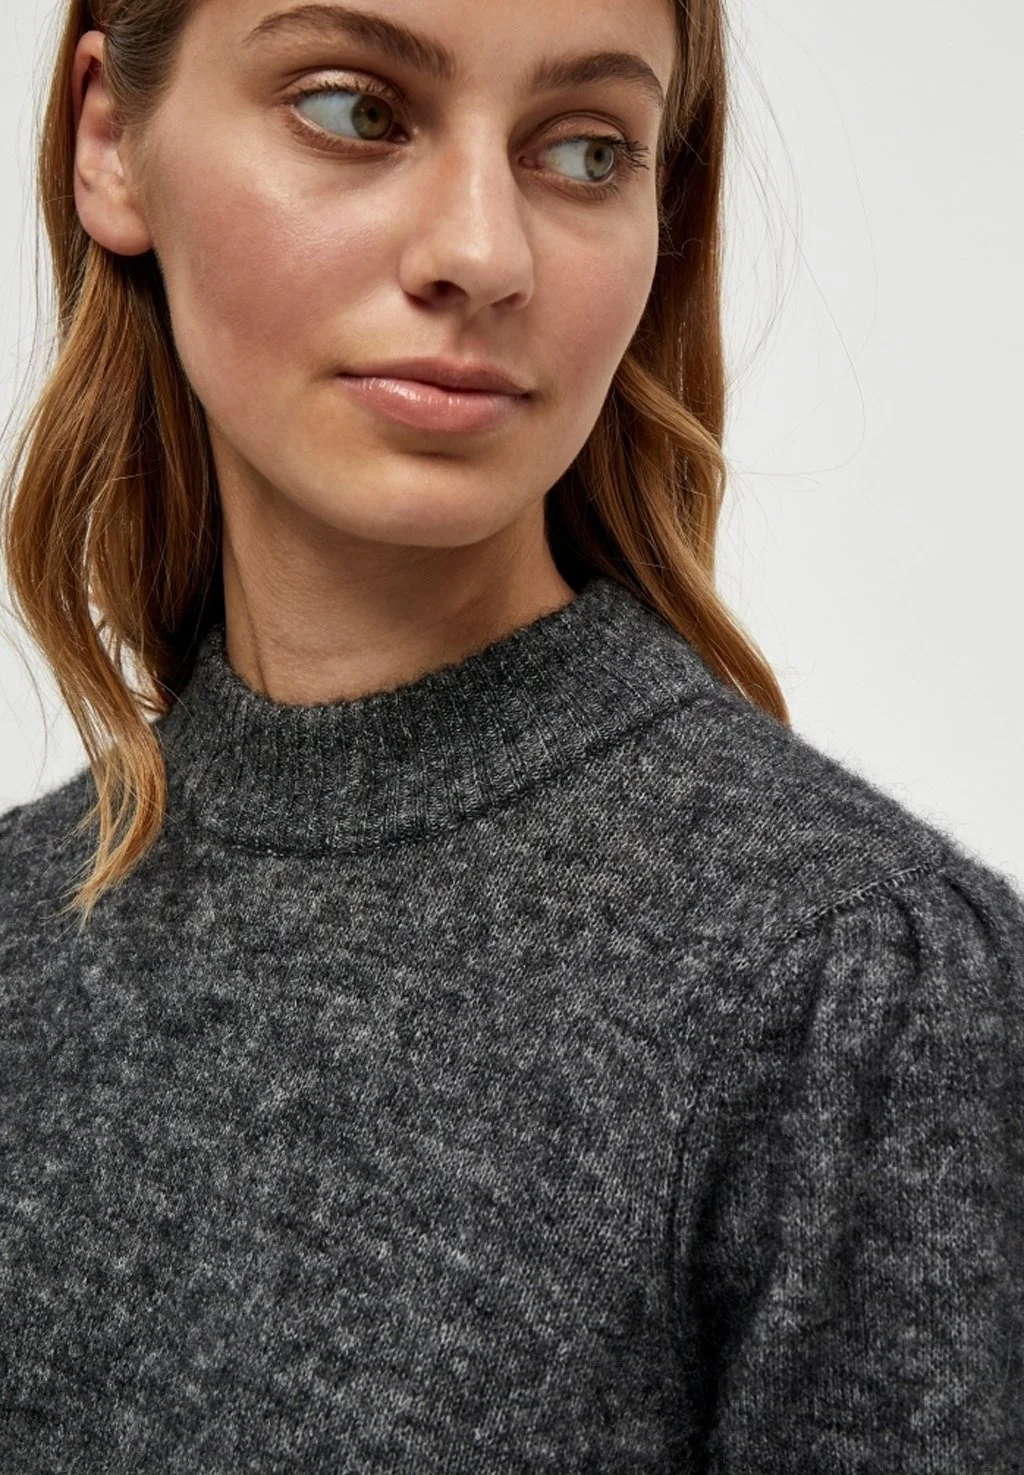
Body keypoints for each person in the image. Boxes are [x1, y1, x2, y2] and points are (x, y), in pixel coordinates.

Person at [1, 0, 1021, 1469]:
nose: (484, 252)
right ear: (110, 140)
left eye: (586, 150)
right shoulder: (20, 930)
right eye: (355, 110)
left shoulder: (850, 988)